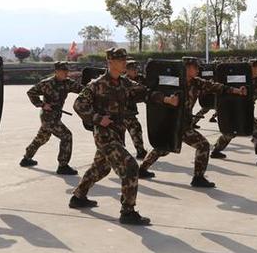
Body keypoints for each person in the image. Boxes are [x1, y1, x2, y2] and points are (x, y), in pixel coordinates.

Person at [69, 48, 178, 225]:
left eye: (125, 60)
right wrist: (97, 118)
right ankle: (128, 212)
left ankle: (78, 197)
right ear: (110, 62)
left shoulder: (124, 83)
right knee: (130, 167)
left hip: (118, 133)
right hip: (105, 135)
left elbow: (144, 93)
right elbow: (78, 104)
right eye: (120, 61)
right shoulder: (97, 84)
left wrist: (166, 99)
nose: (124, 63)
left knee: (101, 168)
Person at [138, 57, 247, 188]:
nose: (197, 70)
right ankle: (198, 178)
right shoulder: (174, 81)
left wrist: (237, 91)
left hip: (184, 123)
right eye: (195, 67)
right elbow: (156, 92)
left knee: (163, 148)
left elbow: (216, 87)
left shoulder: (196, 82)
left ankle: (142, 169)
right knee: (202, 145)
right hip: (173, 122)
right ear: (187, 68)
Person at [20, 61, 82, 175]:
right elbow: (31, 92)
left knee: (42, 137)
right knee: (66, 136)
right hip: (48, 117)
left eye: (67, 71)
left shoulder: (68, 83)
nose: (66, 73)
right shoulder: (47, 83)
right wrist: (42, 104)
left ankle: (26, 159)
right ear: (57, 71)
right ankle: (63, 166)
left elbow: (82, 90)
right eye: (63, 71)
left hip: (56, 116)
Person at [123, 60, 148, 159]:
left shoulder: (140, 78)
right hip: (122, 111)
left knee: (136, 129)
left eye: (136, 69)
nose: (135, 71)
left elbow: (147, 88)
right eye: (133, 69)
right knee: (118, 133)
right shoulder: (124, 81)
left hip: (130, 111)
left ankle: (140, 151)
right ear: (127, 70)